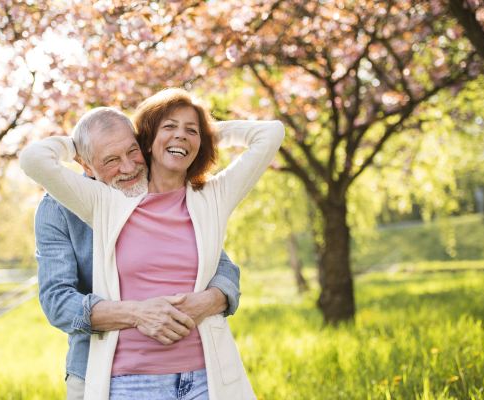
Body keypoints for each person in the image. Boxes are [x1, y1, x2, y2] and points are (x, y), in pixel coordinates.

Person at [20, 88, 285, 399]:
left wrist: (195, 131)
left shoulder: (193, 196)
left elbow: (219, 266)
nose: (129, 168)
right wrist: (138, 314)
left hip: (200, 374)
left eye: (132, 151)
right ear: (87, 166)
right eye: (110, 159)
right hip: (105, 368)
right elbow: (58, 302)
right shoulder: (86, 204)